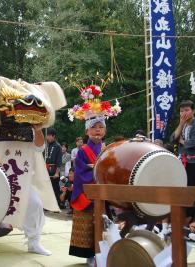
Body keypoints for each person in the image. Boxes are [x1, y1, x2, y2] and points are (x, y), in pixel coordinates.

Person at [0, 76, 66, 256]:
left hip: (22, 177)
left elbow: (39, 147)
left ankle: (34, 241)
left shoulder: (31, 122)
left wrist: (37, 129)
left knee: (34, 204)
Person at [67, 83, 121, 266]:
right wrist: (97, 175)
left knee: (103, 223)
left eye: (101, 127)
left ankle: (103, 253)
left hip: (103, 191)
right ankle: (91, 254)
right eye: (94, 127)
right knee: (90, 225)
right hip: (88, 193)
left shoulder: (106, 148)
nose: (98, 130)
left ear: (104, 130)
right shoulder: (83, 151)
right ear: (87, 130)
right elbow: (81, 173)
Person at [171, 100, 195, 221]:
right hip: (183, 162)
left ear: (193, 111)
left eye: (187, 110)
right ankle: (186, 217)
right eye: (181, 111)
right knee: (184, 189)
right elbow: (173, 138)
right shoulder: (184, 125)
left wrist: (181, 141)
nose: (184, 113)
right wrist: (181, 125)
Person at [45, 128, 63, 208]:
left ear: (53, 136)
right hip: (47, 169)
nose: (47, 137)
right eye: (47, 135)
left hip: (54, 169)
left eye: (49, 135)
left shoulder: (58, 146)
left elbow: (59, 161)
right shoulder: (47, 145)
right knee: (47, 188)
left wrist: (57, 172)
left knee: (55, 188)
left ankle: (57, 205)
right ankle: (48, 205)